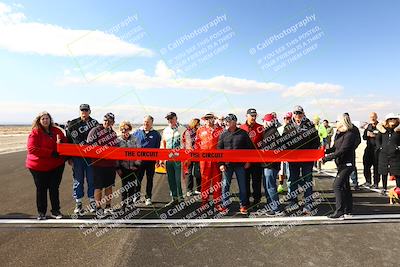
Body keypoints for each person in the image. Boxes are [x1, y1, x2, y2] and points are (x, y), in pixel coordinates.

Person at [26, 111, 67, 220]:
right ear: (39, 120)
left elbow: (65, 142)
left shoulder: (57, 131)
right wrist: (50, 152)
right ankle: (41, 212)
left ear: (50, 120)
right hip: (38, 166)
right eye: (43, 119)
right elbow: (32, 149)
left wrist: (62, 144)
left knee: (54, 188)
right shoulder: (35, 132)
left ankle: (55, 211)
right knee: (41, 189)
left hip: (56, 165)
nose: (45, 120)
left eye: (47, 118)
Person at [283, 105, 320, 215]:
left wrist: (310, 151)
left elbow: (316, 141)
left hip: (306, 159)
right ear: (293, 114)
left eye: (299, 113)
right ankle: (292, 202)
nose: (297, 115)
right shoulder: (288, 126)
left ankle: (308, 203)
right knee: (292, 180)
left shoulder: (309, 125)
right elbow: (284, 141)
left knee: (307, 181)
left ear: (303, 113)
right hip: (292, 159)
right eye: (295, 113)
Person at [322, 113, 357, 218]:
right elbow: (335, 148)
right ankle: (348, 210)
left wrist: (327, 158)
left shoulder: (350, 135)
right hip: (341, 164)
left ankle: (339, 210)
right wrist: (324, 151)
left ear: (342, 122)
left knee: (336, 185)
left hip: (347, 164)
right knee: (345, 187)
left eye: (337, 121)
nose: (336, 123)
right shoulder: (339, 134)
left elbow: (342, 150)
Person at [66, 104, 99, 214]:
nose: (84, 112)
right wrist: (69, 157)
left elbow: (99, 140)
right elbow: (68, 141)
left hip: (91, 158)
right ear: (79, 112)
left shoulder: (95, 123)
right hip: (77, 158)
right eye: (82, 110)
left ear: (89, 111)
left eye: (86, 110)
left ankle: (92, 201)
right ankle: (78, 203)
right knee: (78, 180)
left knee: (92, 179)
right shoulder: (72, 124)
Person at [218, 114, 253, 214]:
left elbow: (250, 149)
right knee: (225, 186)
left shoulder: (243, 133)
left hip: (240, 165)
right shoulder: (223, 134)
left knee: (242, 185)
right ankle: (225, 205)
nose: (226, 123)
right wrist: (221, 163)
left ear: (234, 122)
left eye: (229, 121)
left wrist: (248, 161)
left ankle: (243, 205)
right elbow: (219, 150)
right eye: (226, 121)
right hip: (227, 165)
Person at [87, 113, 119, 216]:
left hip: (110, 164)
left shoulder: (113, 134)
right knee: (98, 187)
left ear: (113, 123)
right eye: (105, 120)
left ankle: (108, 206)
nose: (107, 122)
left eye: (109, 121)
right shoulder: (95, 131)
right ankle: (98, 207)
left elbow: (117, 148)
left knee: (109, 186)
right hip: (98, 164)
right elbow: (89, 146)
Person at [195, 113, 224, 211]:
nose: (208, 120)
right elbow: (197, 144)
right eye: (206, 119)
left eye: (210, 118)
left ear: (214, 119)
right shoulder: (200, 130)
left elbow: (223, 145)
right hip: (204, 160)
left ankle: (217, 203)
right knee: (205, 181)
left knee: (217, 183)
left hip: (217, 160)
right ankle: (204, 202)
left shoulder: (220, 130)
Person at [259, 113, 285, 216]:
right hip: (269, 164)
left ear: (268, 122)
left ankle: (276, 208)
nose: (263, 123)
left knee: (270, 186)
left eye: (264, 121)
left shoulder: (272, 132)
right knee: (268, 186)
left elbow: (275, 149)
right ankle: (272, 206)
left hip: (270, 165)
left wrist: (264, 152)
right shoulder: (271, 131)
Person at [133, 115, 161, 206]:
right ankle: (136, 196)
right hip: (139, 161)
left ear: (152, 123)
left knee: (150, 179)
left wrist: (157, 160)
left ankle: (148, 197)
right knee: (138, 179)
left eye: (148, 122)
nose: (146, 123)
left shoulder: (156, 134)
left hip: (151, 162)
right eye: (144, 121)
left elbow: (158, 148)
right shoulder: (137, 132)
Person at [161, 112, 186, 207]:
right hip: (168, 160)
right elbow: (162, 145)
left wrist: (187, 159)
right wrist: (161, 159)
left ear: (176, 118)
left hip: (179, 160)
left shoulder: (183, 130)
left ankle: (182, 199)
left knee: (179, 180)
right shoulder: (165, 130)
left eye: (171, 118)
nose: (170, 120)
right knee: (170, 179)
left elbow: (188, 145)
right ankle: (174, 198)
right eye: (168, 119)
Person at [240, 108, 264, 208]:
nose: (253, 117)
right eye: (252, 115)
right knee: (244, 181)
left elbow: (265, 142)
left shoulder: (261, 127)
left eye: (255, 116)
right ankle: (245, 202)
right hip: (244, 160)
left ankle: (257, 200)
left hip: (257, 160)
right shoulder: (241, 128)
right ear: (247, 116)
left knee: (256, 181)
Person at [117, 121, 141, 211]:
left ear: (130, 129)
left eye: (126, 129)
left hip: (134, 167)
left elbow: (140, 153)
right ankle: (123, 204)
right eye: (122, 129)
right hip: (123, 167)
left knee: (132, 186)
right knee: (124, 187)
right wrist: (118, 167)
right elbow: (115, 155)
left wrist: (137, 165)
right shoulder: (118, 141)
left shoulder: (135, 139)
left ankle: (130, 204)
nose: (124, 131)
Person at [376, 113, 400, 195]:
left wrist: (398, 147)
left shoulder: (398, 130)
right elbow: (378, 140)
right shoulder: (383, 130)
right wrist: (380, 147)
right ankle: (384, 188)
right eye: (390, 119)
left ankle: (398, 188)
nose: (392, 120)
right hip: (384, 154)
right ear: (387, 121)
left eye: (394, 119)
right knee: (384, 171)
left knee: (397, 172)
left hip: (396, 155)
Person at [183, 118, 201, 197]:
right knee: (190, 172)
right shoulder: (188, 132)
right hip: (190, 154)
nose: (199, 125)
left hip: (198, 154)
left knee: (198, 171)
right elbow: (188, 144)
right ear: (195, 123)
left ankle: (198, 189)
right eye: (198, 124)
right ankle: (189, 190)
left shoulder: (199, 131)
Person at [344, 112, 361, 190]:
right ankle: (344, 183)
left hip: (350, 151)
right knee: (342, 167)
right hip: (342, 152)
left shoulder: (354, 128)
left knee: (352, 167)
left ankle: (355, 183)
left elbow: (358, 139)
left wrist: (353, 147)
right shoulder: (341, 128)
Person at [362, 112, 379, 187]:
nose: (372, 118)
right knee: (366, 165)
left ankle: (376, 183)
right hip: (369, 148)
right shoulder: (368, 126)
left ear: (376, 117)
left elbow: (383, 136)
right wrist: (366, 133)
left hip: (377, 149)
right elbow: (364, 137)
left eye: (373, 116)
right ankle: (368, 181)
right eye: (371, 117)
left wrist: (374, 135)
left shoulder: (380, 126)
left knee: (376, 167)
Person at [277, 112, 292, 193]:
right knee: (281, 171)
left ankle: (290, 191)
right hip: (281, 154)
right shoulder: (280, 129)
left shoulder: (294, 129)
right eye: (286, 118)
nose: (287, 120)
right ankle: (281, 185)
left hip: (290, 155)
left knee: (290, 173)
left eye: (289, 118)